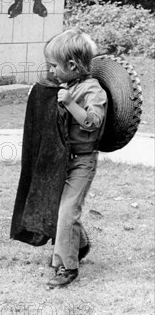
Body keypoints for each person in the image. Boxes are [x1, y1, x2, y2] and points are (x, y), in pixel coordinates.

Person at [44, 29, 108, 288]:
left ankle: (67, 267)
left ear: (71, 65)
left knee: (68, 210)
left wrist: (70, 103)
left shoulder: (93, 90)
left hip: (83, 160)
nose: (51, 71)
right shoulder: (67, 85)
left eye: (54, 66)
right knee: (61, 207)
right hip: (64, 159)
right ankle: (78, 243)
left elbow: (93, 122)